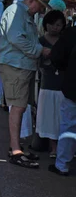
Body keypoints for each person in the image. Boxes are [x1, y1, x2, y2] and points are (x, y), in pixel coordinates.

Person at [0, 0, 53, 168]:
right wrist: (39, 50)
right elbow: (16, 39)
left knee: (20, 106)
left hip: (21, 65)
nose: (41, 10)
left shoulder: (22, 13)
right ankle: (15, 150)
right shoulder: (16, 12)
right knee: (18, 107)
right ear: (33, 1)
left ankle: (16, 147)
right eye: (41, 5)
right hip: (15, 65)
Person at [35, 10, 66, 157]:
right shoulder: (40, 42)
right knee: (49, 117)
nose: (55, 27)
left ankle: (62, 147)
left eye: (58, 25)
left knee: (62, 117)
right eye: (52, 24)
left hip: (63, 86)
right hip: (47, 84)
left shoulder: (65, 40)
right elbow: (37, 62)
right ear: (46, 25)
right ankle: (53, 147)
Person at [49, 17, 76, 176]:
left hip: (73, 87)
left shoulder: (71, 33)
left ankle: (62, 164)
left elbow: (56, 56)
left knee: (69, 126)